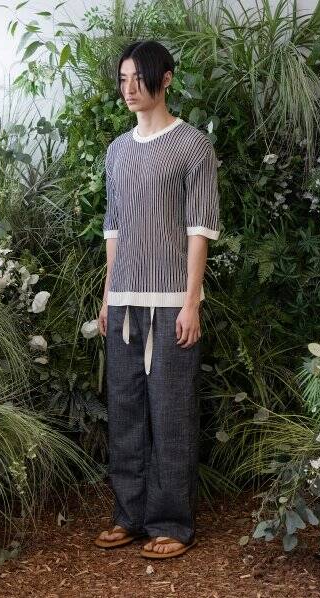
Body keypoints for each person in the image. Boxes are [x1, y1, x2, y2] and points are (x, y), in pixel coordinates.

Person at [94, 40, 220, 559]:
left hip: (171, 300)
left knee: (170, 413)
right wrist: (108, 296)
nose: (129, 88)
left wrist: (192, 302)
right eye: (122, 79)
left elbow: (200, 228)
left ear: (165, 78)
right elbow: (114, 228)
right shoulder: (116, 151)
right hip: (124, 299)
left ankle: (170, 523)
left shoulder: (192, 145)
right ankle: (129, 515)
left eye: (138, 78)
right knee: (125, 411)